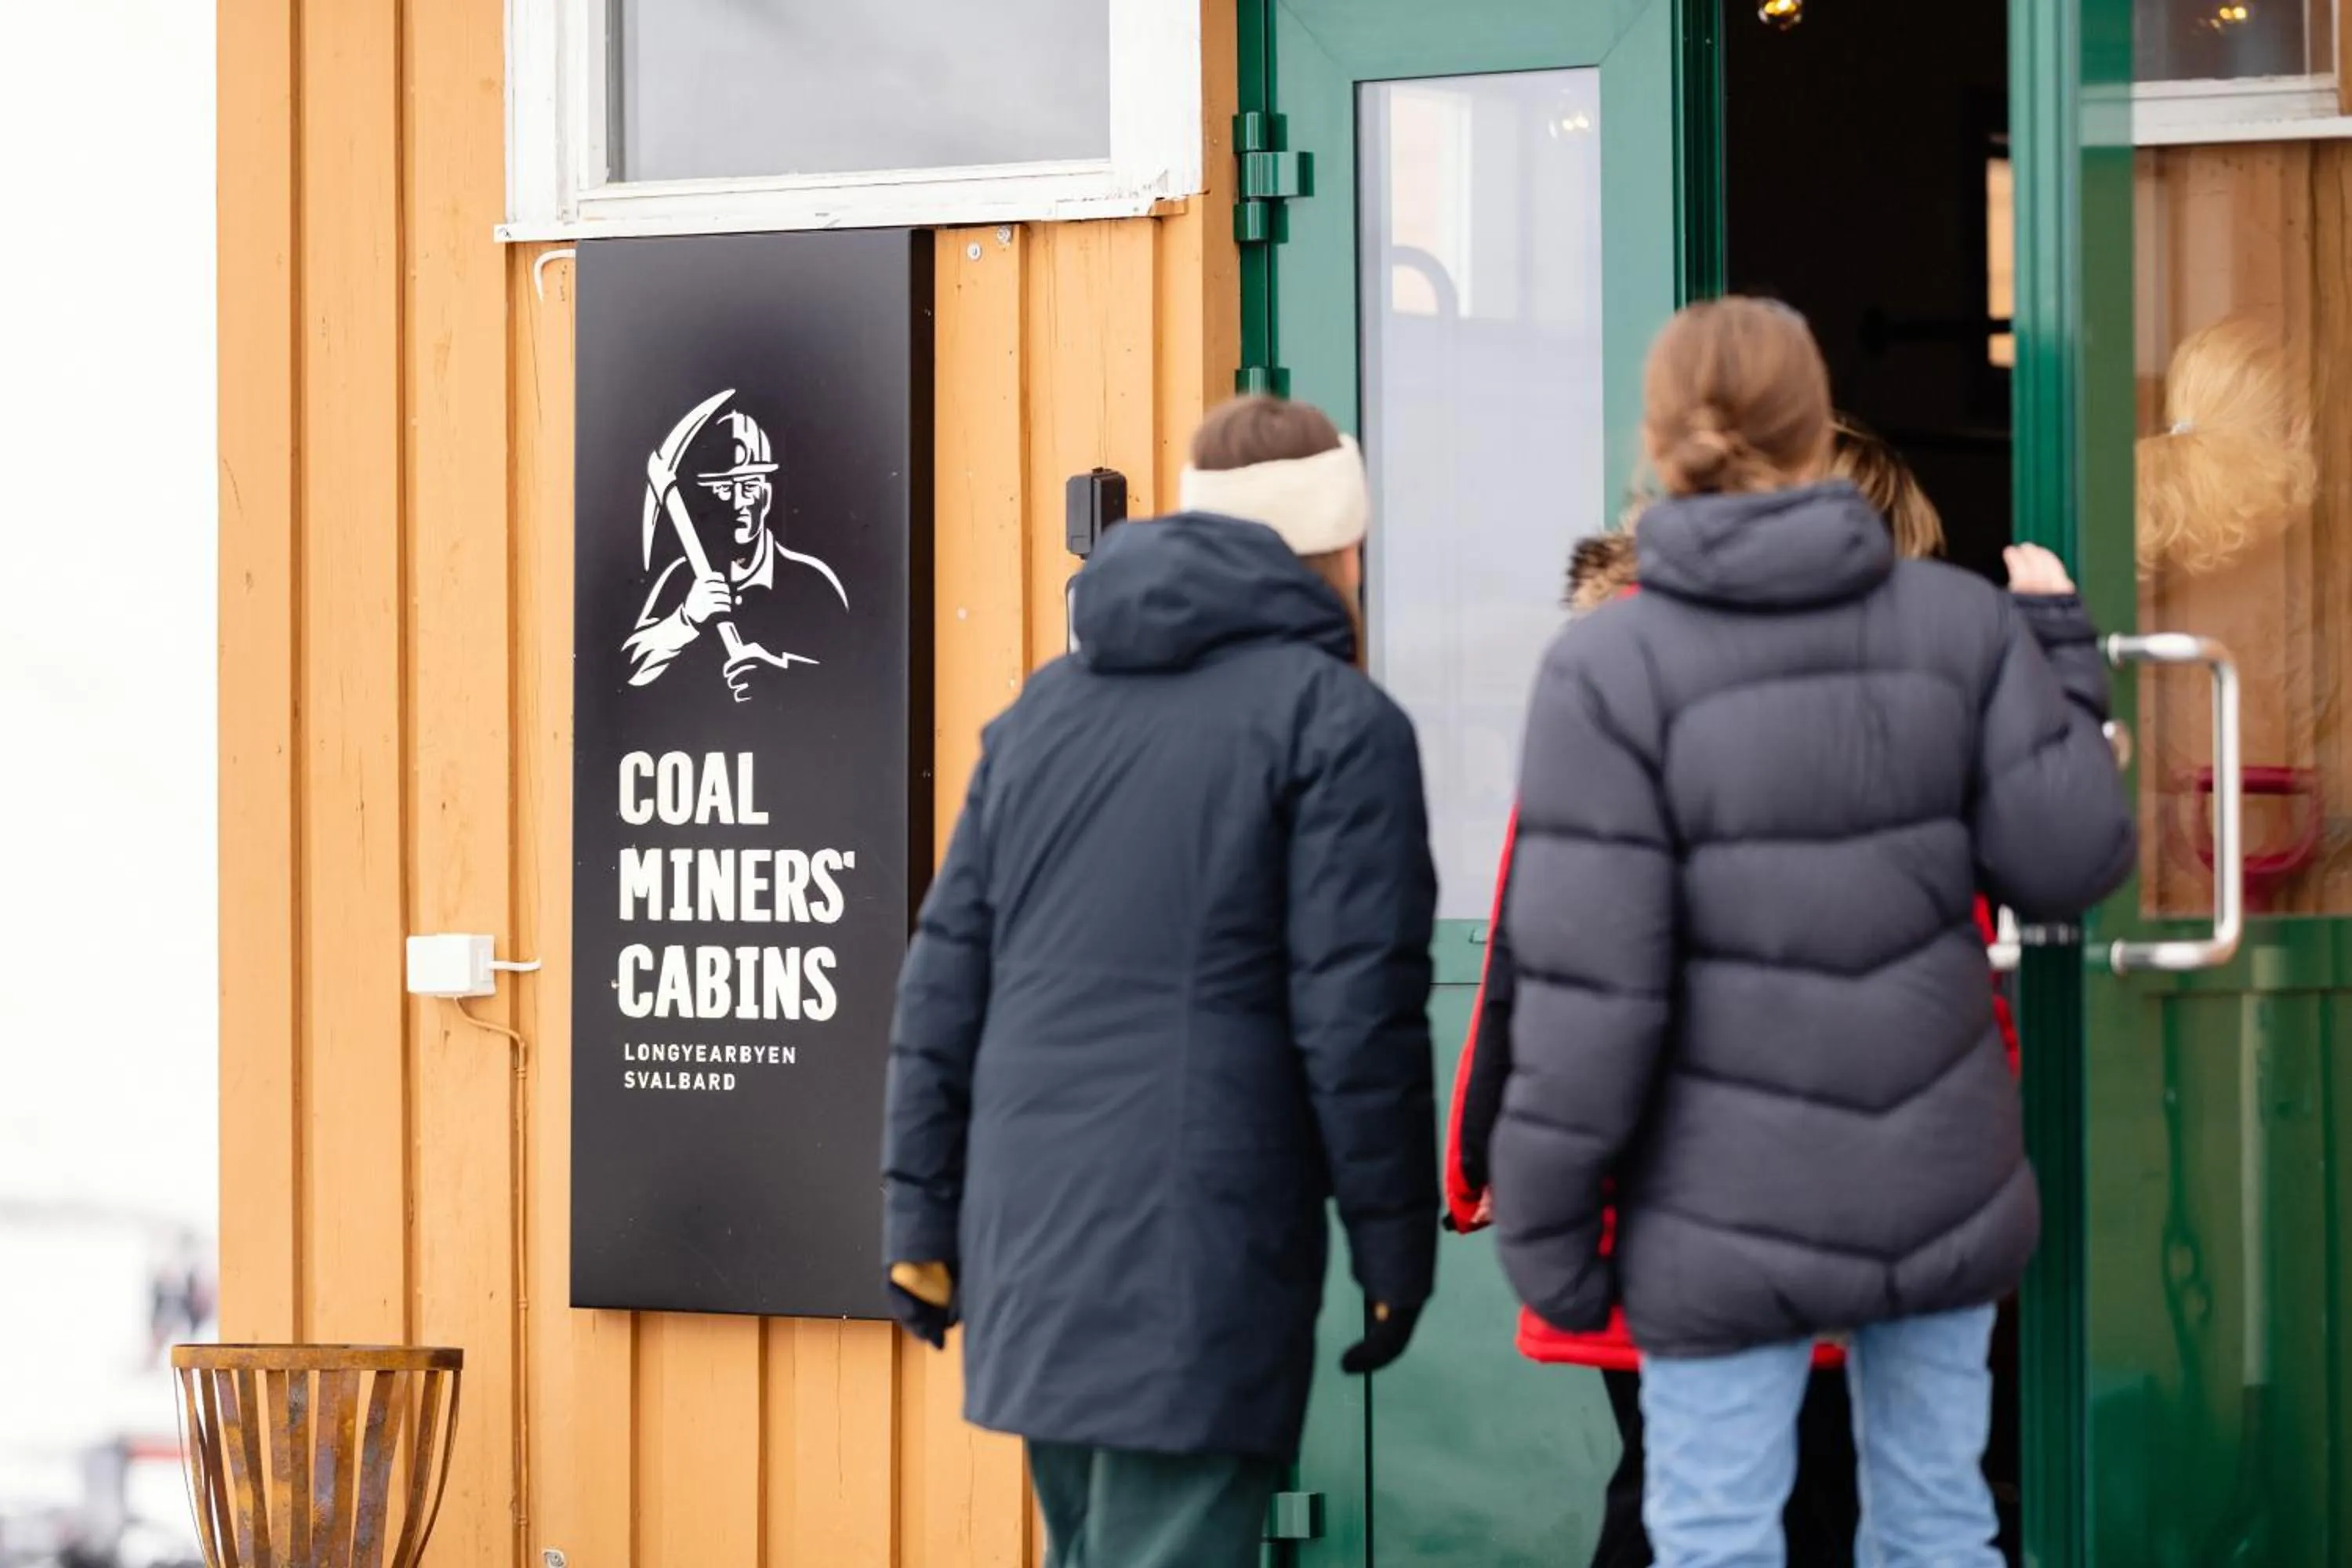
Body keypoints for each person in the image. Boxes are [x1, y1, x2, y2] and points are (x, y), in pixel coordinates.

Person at [1494, 297, 2134, 1566]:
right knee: (1939, 1526)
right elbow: (2069, 861)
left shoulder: (1610, 667)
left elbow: (1588, 994)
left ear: (1660, 441)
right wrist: (2059, 648)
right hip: (1940, 1193)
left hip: (1718, 1209)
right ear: (1810, 430)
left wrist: (1548, 1232)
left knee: (1720, 1539)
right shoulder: (1960, 630)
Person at [881, 394, 1440, 1568]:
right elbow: (1356, 1021)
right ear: (1341, 543)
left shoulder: (1043, 714)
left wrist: (920, 1216)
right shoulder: (1337, 724)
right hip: (1198, 1246)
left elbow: (943, 982)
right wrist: (1395, 1249)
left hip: (1033, 1232)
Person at [624, 406, 850, 700]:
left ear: (766, 498)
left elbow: (857, 678)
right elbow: (626, 674)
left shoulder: (813, 583)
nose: (738, 503)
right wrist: (686, 619)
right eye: (723, 489)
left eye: (749, 486)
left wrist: (784, 679)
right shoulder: (683, 578)